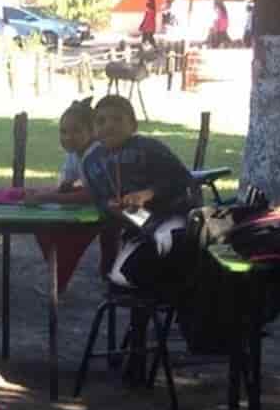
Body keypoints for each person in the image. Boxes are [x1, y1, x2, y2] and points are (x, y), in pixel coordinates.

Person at [81, 94, 198, 293]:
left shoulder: (149, 149)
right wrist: (110, 207)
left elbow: (183, 180)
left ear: (133, 125)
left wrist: (147, 194)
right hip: (136, 222)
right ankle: (138, 321)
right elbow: (98, 198)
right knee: (129, 275)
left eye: (117, 119)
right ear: (93, 129)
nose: (109, 125)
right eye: (101, 121)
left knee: (150, 257)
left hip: (171, 217)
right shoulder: (92, 161)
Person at [21, 98, 107, 295]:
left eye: (76, 131)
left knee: (67, 236)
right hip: (97, 204)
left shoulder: (95, 154)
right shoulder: (74, 154)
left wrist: (46, 198)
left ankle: (60, 282)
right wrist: (40, 193)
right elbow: (65, 186)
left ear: (92, 131)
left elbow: (91, 195)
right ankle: (58, 278)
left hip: (112, 209)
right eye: (63, 132)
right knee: (43, 225)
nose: (68, 137)